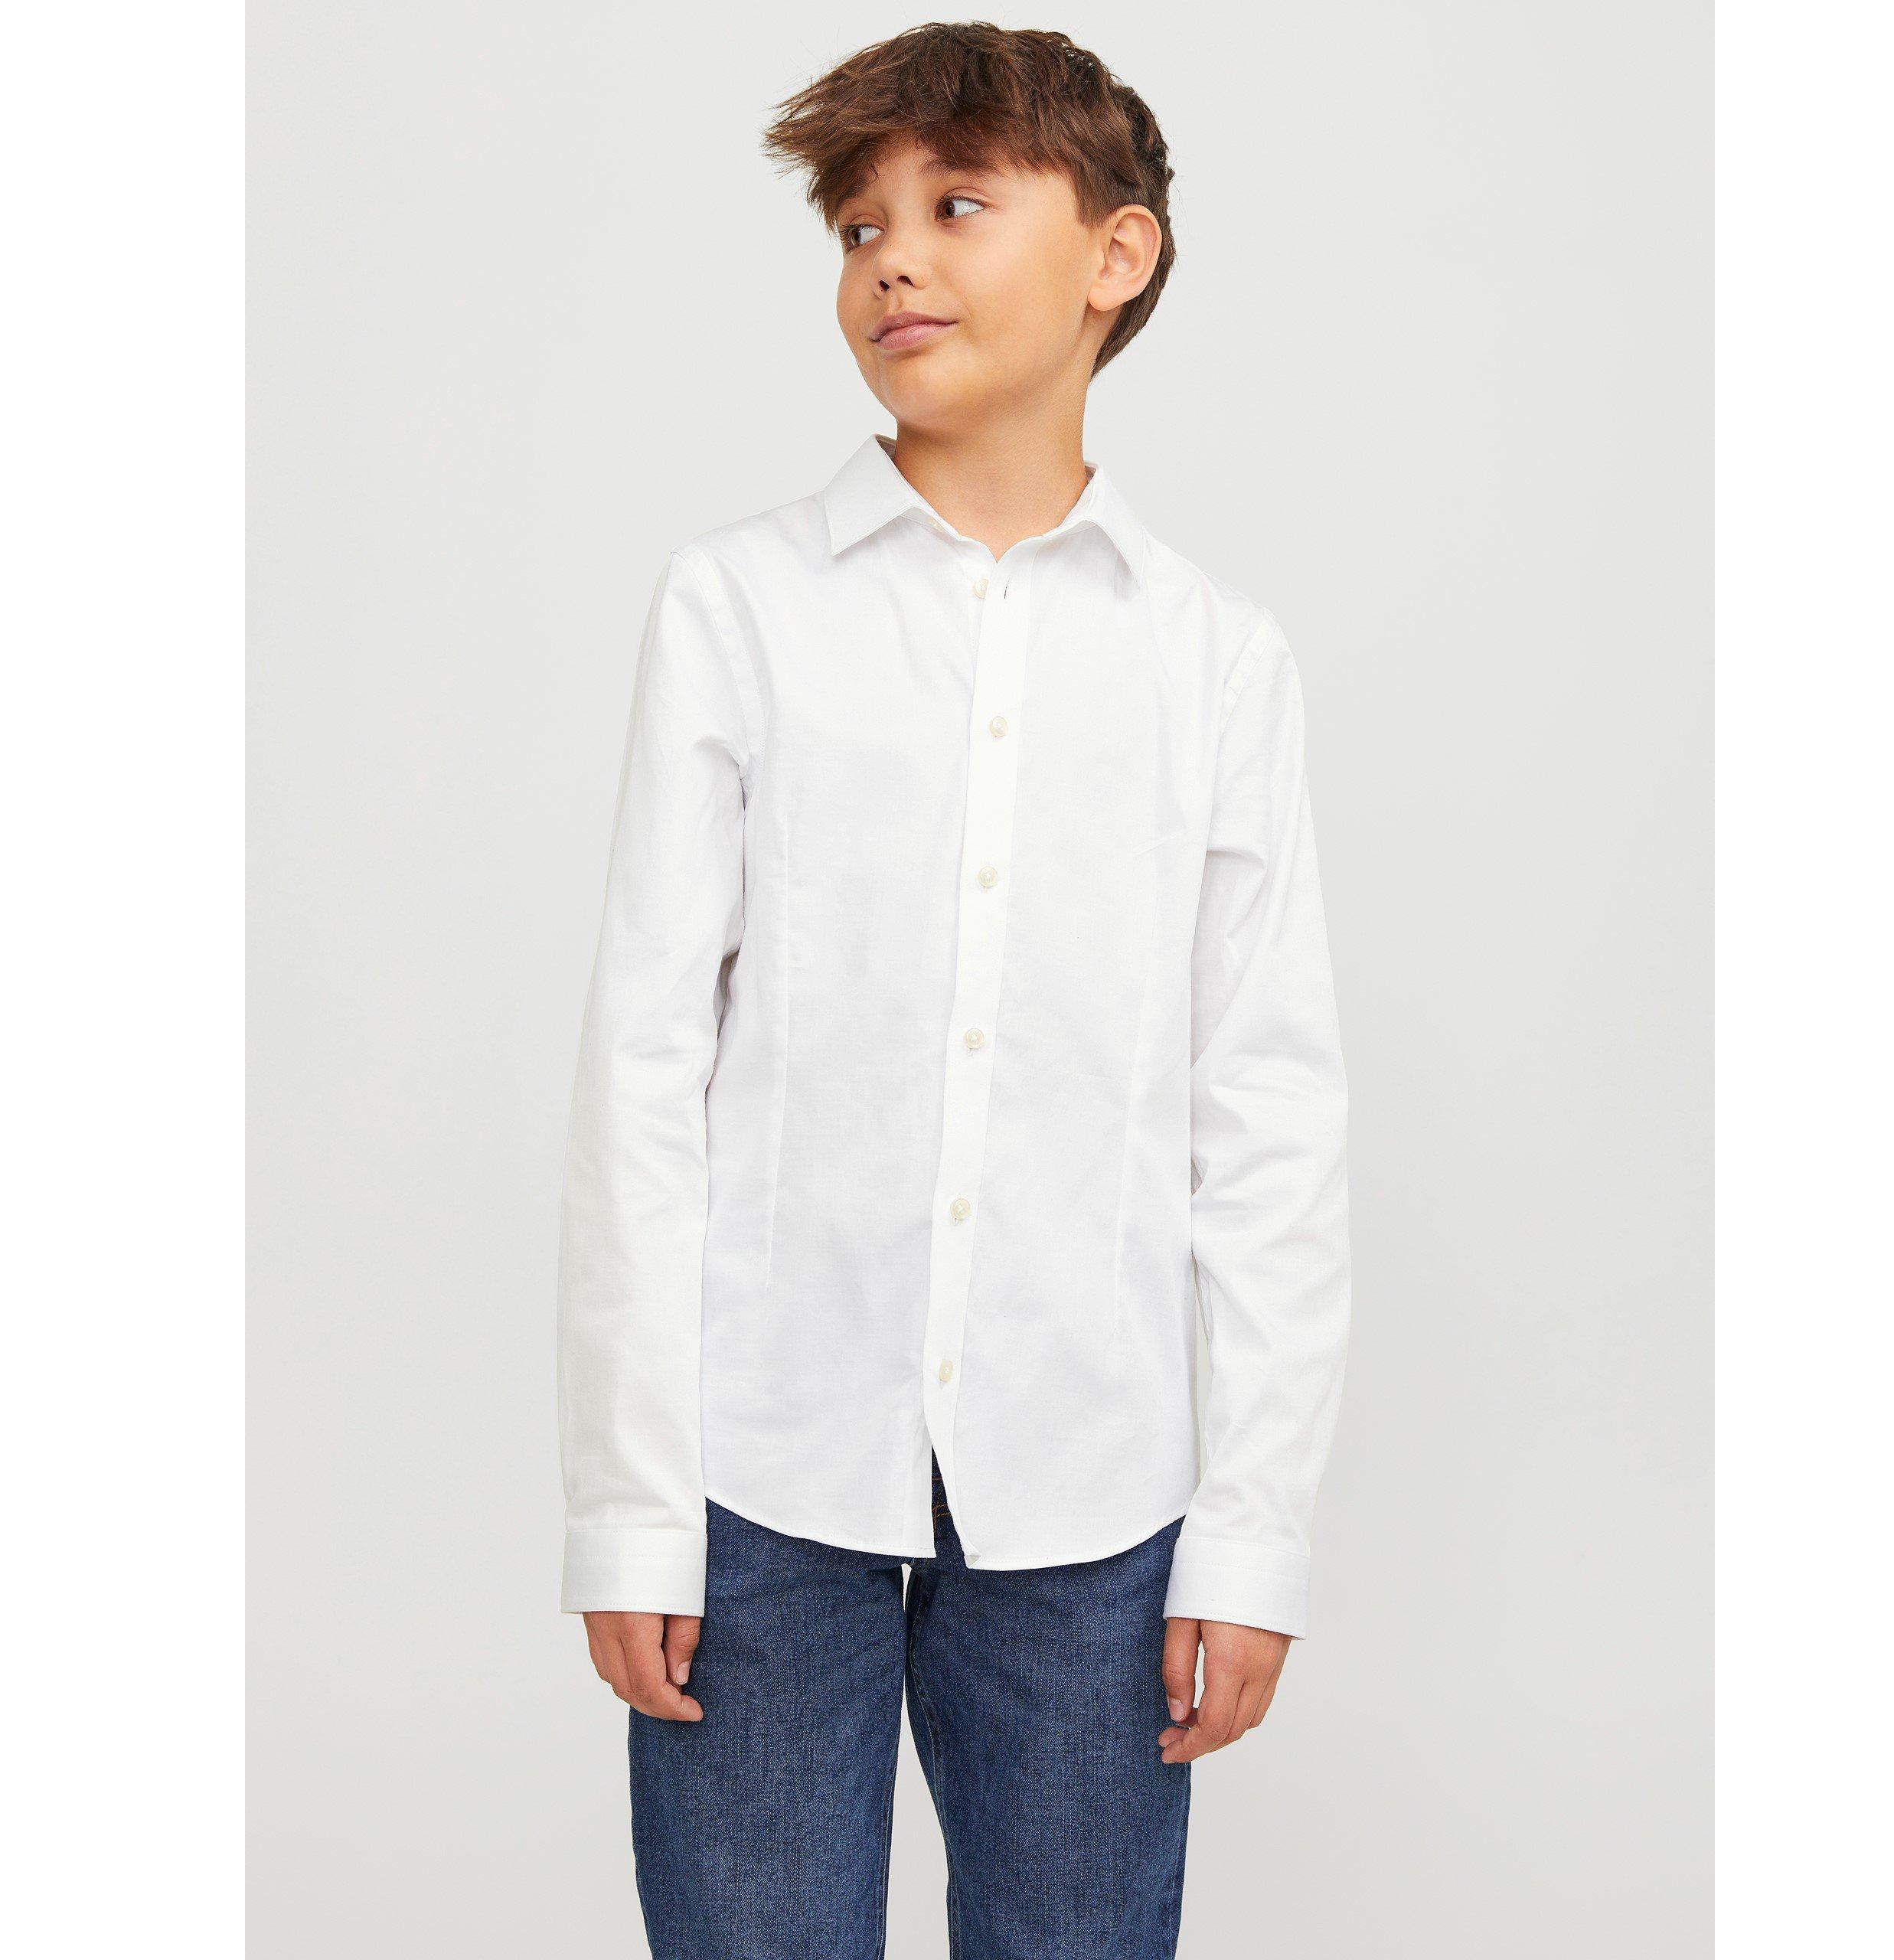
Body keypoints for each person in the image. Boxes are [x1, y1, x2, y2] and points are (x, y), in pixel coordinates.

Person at [556, 22, 1350, 1958]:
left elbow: (1265, 1114)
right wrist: (633, 1503)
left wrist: (1248, 1531)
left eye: (956, 203)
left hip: (1091, 1494)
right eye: (856, 226)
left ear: (1114, 255)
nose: (890, 258)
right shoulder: (738, 607)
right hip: (760, 1476)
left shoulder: (1214, 662)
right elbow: (645, 1069)